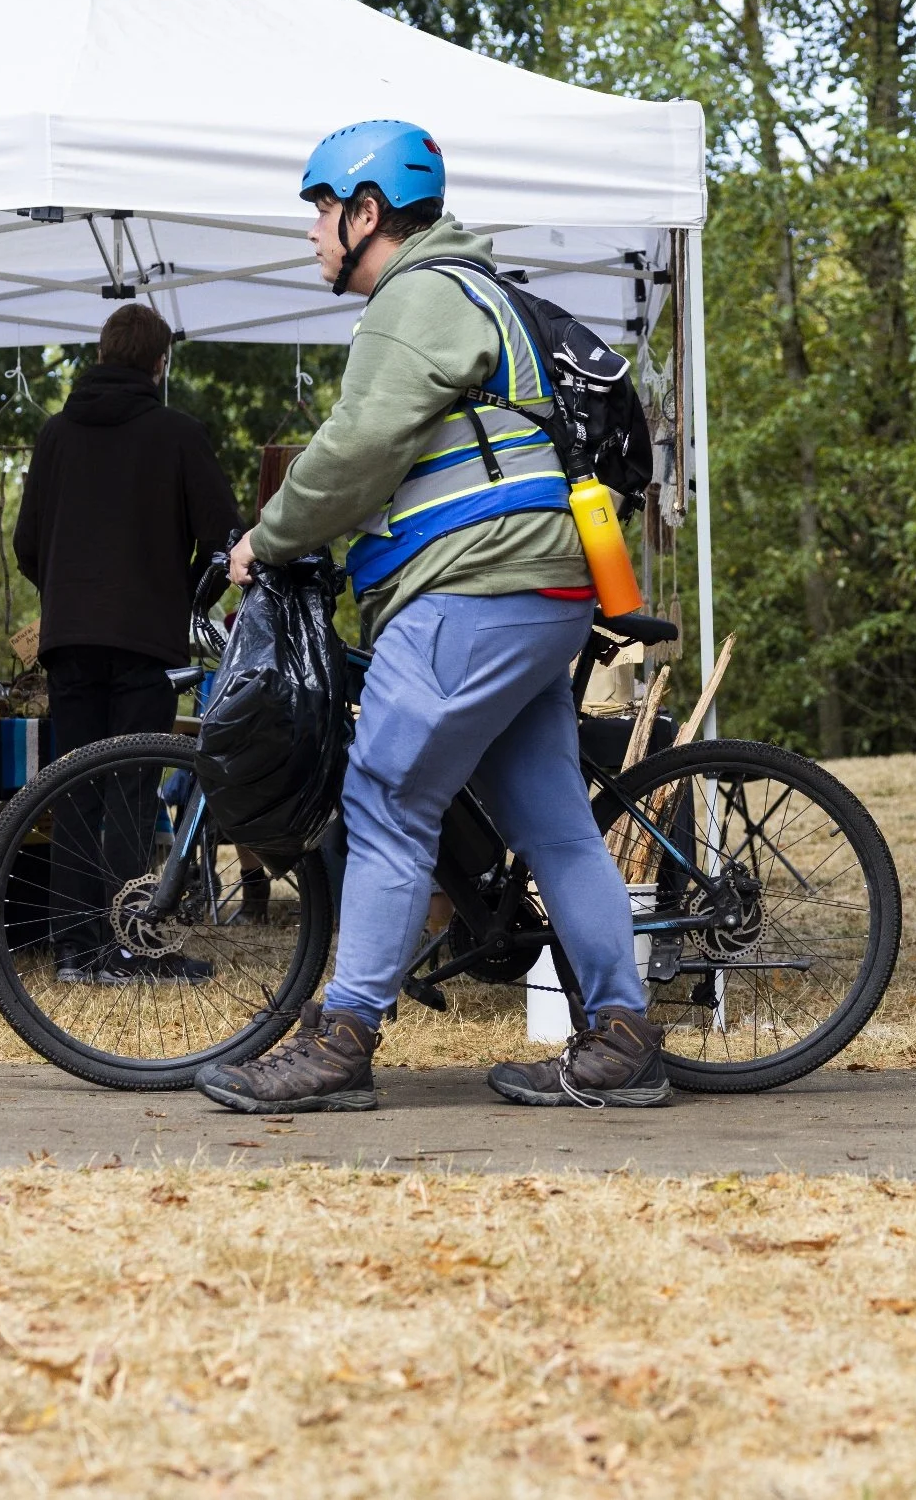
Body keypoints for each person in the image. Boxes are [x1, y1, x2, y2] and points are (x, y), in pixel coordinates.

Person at [195, 119, 665, 1115]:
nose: (314, 234)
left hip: (477, 584)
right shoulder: (474, 291)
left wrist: (267, 538)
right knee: (554, 823)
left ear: (368, 213)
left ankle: (343, 1037)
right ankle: (622, 1036)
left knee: (385, 794)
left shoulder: (417, 294)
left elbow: (358, 443)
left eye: (322, 211)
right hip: (536, 583)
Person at [14, 303, 241, 762]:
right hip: (148, 640)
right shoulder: (180, 435)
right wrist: (181, 598)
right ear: (161, 363)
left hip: (70, 639)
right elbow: (226, 540)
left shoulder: (55, 435)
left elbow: (26, 547)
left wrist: (70, 594)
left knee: (72, 794)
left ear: (100, 354)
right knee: (131, 793)